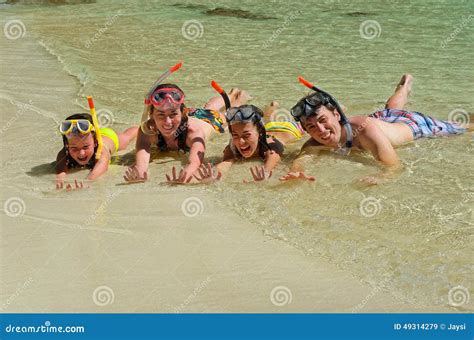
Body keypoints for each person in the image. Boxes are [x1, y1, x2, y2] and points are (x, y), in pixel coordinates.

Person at [281, 74, 471, 183]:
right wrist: (296, 171)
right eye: (311, 127)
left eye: (323, 120)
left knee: (464, 127)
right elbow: (302, 160)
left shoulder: (364, 131)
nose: (320, 130)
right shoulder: (314, 142)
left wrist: (381, 177)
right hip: (382, 119)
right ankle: (404, 87)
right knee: (392, 110)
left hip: (414, 125)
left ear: (337, 115)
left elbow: (395, 166)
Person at [123, 83, 250, 184]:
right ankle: (230, 93)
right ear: (151, 115)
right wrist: (139, 173)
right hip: (189, 114)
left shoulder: (194, 133)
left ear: (182, 112)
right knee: (207, 107)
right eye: (161, 115)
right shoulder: (147, 131)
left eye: (173, 114)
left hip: (209, 119)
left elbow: (195, 162)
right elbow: (142, 163)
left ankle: (237, 97)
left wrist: (186, 175)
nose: (167, 122)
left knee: (226, 111)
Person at [55, 113, 138, 189]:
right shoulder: (64, 154)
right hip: (93, 134)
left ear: (95, 142)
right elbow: (60, 174)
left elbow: (99, 170)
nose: (81, 153)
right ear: (67, 145)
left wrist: (85, 183)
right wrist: (60, 183)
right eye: (74, 148)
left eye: (85, 147)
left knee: (126, 137)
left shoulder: (102, 152)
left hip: (109, 136)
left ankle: (139, 128)